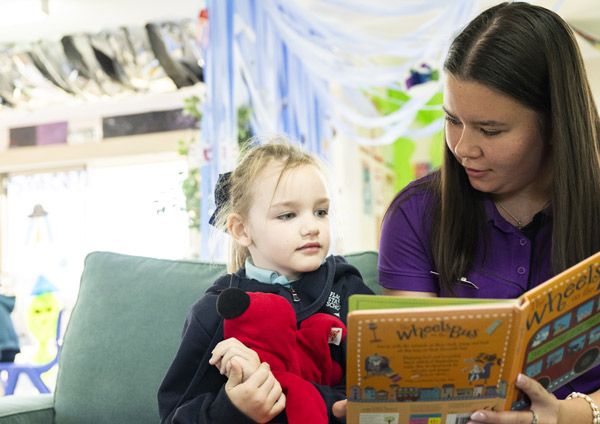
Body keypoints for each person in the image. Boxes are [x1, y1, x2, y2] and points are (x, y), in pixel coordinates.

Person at [378, 2, 600, 424]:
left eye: (490, 130)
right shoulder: (415, 214)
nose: (463, 148)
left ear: (555, 124)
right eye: (452, 120)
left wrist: (566, 416)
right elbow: (414, 376)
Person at [158, 138, 373, 423]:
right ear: (241, 229)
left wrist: (330, 405)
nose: (312, 227)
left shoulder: (347, 288)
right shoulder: (213, 312)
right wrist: (233, 408)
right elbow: (175, 416)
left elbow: (386, 378)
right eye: (287, 215)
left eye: (321, 212)